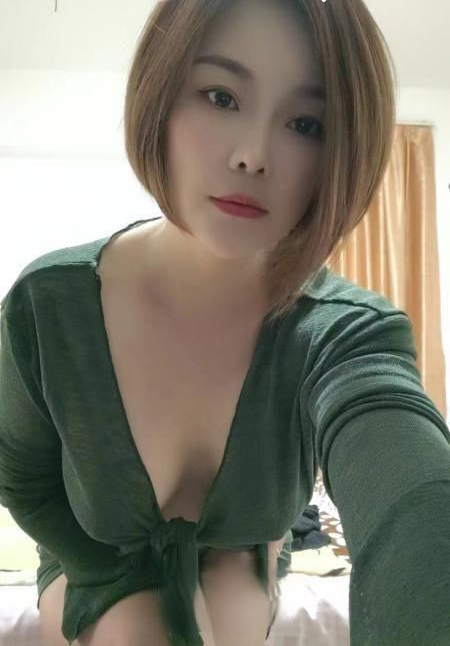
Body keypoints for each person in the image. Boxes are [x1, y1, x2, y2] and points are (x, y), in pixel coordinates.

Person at [1, 0, 449, 645]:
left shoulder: (345, 334)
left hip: (247, 555)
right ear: (161, 95)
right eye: (220, 97)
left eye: (305, 123)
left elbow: (414, 499)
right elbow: (23, 477)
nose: (253, 156)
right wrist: (107, 578)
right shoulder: (48, 307)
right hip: (89, 548)